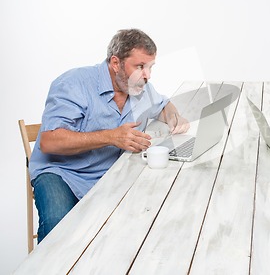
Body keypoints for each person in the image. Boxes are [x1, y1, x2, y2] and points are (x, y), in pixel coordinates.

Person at [29, 29, 190, 242]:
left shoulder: (140, 87)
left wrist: (174, 116)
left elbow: (163, 105)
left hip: (107, 174)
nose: (147, 76)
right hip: (61, 172)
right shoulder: (73, 83)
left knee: (155, 216)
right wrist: (111, 137)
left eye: (150, 67)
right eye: (140, 67)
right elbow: (49, 142)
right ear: (116, 63)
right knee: (58, 229)